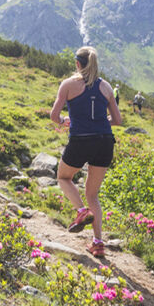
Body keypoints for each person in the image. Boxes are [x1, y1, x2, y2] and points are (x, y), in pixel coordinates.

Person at [50, 46, 122, 257]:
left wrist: (64, 120)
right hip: (105, 140)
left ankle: (81, 212)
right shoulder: (106, 87)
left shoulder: (68, 84)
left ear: (77, 64)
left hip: (81, 139)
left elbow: (55, 115)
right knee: (93, 194)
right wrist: (101, 121)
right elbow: (117, 121)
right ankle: (98, 243)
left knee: (63, 177)